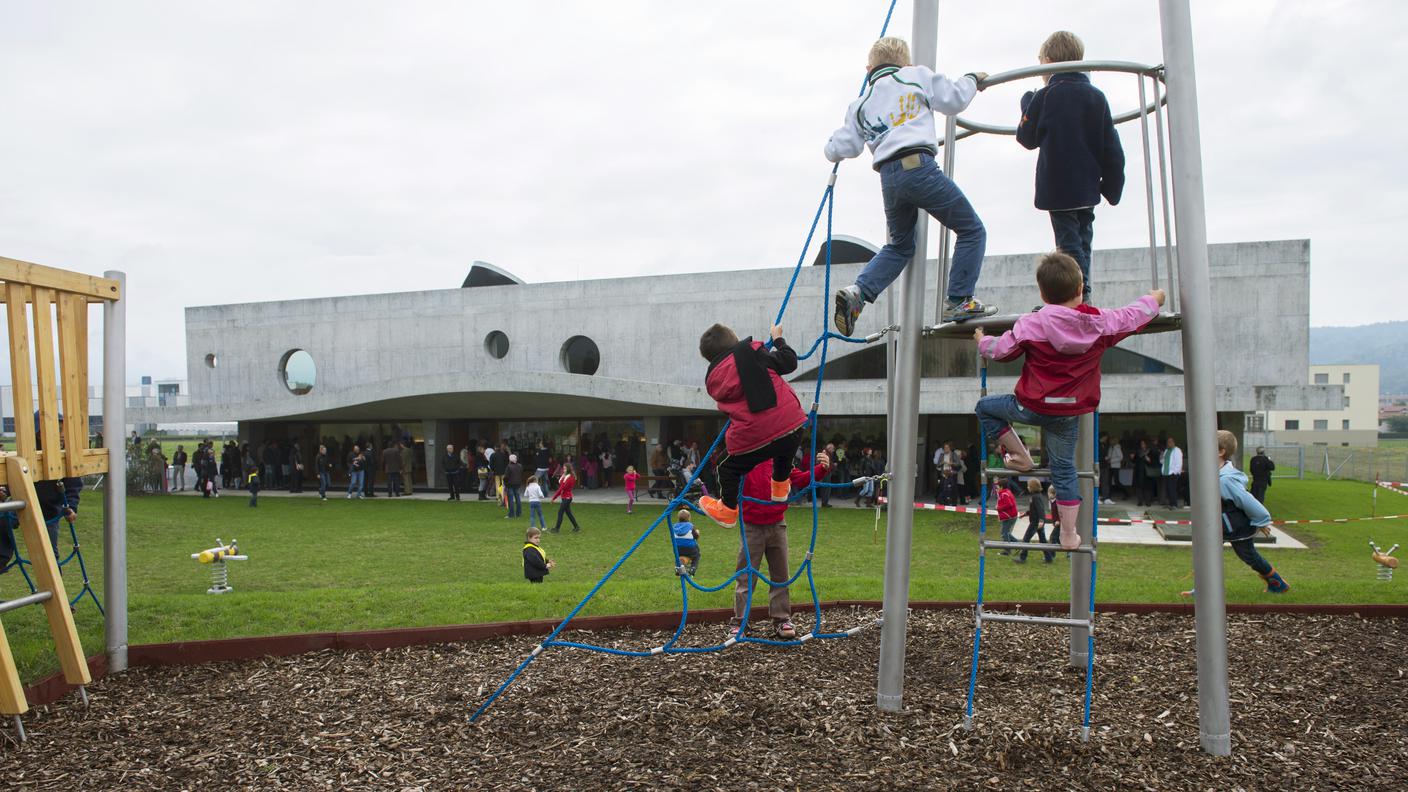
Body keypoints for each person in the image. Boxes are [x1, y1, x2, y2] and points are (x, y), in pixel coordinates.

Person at [974, 252, 1164, 550]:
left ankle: (1021, 456)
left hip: (1031, 406)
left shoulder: (1030, 324)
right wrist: (1155, 299)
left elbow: (1001, 351)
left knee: (985, 408)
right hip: (1069, 410)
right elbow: (1133, 316)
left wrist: (981, 341)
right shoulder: (1099, 323)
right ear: (1080, 289)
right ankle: (1068, 534)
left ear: (1042, 293)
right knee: (1064, 469)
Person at [826, 36, 994, 332]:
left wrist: (830, 148)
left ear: (869, 69)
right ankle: (958, 298)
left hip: (888, 178)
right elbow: (954, 99)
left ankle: (859, 293)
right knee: (972, 229)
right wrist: (971, 79)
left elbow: (845, 146)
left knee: (900, 246)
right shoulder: (916, 76)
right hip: (919, 167)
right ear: (906, 62)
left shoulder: (861, 104)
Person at [1015, 31, 1125, 303]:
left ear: (1050, 62)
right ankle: (1083, 291)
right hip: (1088, 185)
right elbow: (1112, 146)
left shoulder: (1045, 95)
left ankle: (1077, 296)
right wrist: (1112, 187)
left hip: (1057, 185)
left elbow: (1026, 138)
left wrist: (1027, 101)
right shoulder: (1096, 97)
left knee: (1068, 243)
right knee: (1083, 239)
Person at [697, 323, 807, 529]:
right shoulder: (755, 352)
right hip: (793, 424)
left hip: (757, 438)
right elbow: (790, 362)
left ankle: (728, 509)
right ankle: (780, 488)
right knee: (784, 453)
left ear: (710, 358)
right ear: (736, 341)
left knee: (725, 466)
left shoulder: (714, 381)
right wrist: (778, 340)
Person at [726, 451, 832, 641]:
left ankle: (782, 618)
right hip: (751, 526)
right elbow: (727, 477)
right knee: (745, 576)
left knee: (780, 575)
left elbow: (800, 479)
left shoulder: (778, 460)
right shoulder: (743, 459)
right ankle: (740, 621)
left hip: (777, 524)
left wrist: (821, 469)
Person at [1182, 431, 1290, 597]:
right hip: (1217, 525)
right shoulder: (1211, 473)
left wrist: (1261, 521)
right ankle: (1202, 591)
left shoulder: (1226, 479)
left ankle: (1277, 583)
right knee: (1206, 555)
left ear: (1220, 452)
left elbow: (1247, 500)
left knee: (1249, 556)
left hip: (1235, 526)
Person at [1015, 478, 1055, 564]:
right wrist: (1025, 513)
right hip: (1037, 522)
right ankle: (1049, 558)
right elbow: (1034, 510)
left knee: (1026, 539)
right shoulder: (1036, 496)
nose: (1028, 487)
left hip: (1035, 522)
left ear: (1032, 487)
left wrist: (1041, 521)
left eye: (1029, 486)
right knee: (1043, 541)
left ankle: (1022, 558)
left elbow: (1040, 510)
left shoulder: (1035, 497)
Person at [550, 463, 580, 533]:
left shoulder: (570, 478)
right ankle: (576, 527)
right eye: (563, 469)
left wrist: (554, 498)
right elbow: (561, 487)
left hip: (567, 498)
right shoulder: (565, 476)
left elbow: (561, 489)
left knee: (560, 512)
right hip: (565, 497)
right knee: (569, 513)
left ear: (568, 469)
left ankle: (557, 528)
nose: (564, 470)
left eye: (565, 469)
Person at [671, 508, 701, 576]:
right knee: (696, 556)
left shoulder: (674, 526)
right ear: (689, 518)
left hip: (678, 548)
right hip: (690, 548)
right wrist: (698, 533)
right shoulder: (690, 526)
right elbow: (695, 536)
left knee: (678, 557)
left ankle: (678, 568)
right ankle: (693, 568)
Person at [995, 478, 1019, 554]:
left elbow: (1009, 504)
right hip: (1009, 516)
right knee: (1006, 532)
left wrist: (999, 508)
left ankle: (1007, 550)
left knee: (1004, 533)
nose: (996, 488)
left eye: (997, 487)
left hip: (1009, 516)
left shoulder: (1004, 494)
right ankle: (1019, 545)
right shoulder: (1005, 492)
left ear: (1001, 487)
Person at [1161, 436, 1184, 509]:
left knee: (1172, 489)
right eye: (1168, 442)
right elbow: (1162, 461)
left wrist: (1176, 471)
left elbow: (1179, 462)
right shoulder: (1166, 451)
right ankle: (1170, 504)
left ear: (1174, 442)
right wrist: (1161, 457)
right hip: (1166, 472)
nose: (1169, 443)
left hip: (1173, 473)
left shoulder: (1177, 450)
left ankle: (1174, 504)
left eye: (1170, 442)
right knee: (1167, 489)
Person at [504, 453, 524, 518]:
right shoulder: (520, 466)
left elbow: (506, 476)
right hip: (517, 483)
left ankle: (511, 514)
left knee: (510, 500)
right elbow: (521, 474)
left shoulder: (509, 466)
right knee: (518, 498)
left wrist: (504, 482)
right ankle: (519, 513)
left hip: (510, 484)